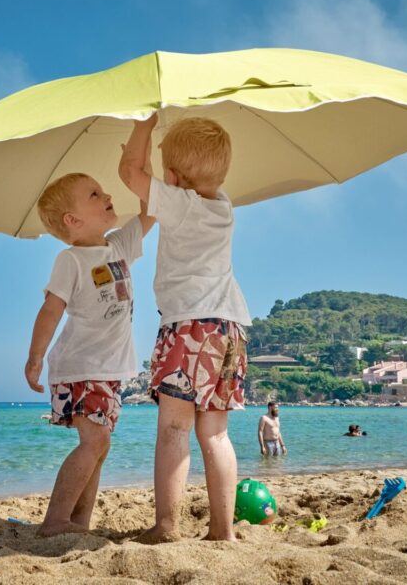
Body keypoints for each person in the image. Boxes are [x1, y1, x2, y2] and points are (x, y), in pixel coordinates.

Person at [119, 114, 251, 543]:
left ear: (173, 178)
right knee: (215, 434)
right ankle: (222, 531)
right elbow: (150, 184)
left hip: (190, 327)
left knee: (174, 428)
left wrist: (143, 127)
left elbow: (130, 174)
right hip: (230, 329)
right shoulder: (223, 206)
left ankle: (166, 526)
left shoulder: (180, 203)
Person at [24, 171, 154, 537]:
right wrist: (35, 357)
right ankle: (55, 521)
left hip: (109, 369)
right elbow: (50, 310)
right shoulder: (71, 260)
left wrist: (142, 167)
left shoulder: (119, 246)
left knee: (100, 445)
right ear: (73, 220)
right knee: (94, 441)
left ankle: (77, 523)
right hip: (81, 365)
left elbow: (151, 211)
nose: (107, 195)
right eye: (95, 194)